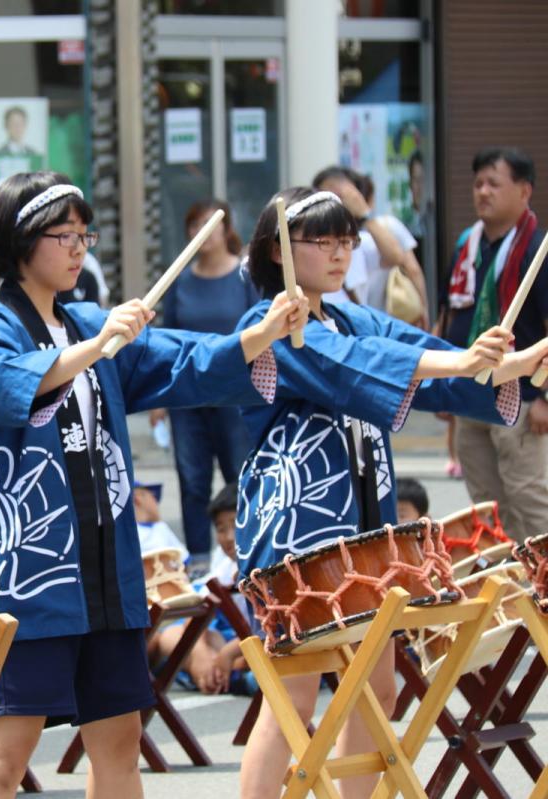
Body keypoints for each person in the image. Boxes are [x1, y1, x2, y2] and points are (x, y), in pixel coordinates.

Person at [0, 171, 308, 799]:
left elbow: (183, 360)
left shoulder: (88, 324)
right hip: (29, 578)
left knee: (120, 745)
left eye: (82, 235)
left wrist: (263, 333)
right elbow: (14, 387)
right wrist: (98, 345)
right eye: (63, 235)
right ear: (20, 242)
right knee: (4, 757)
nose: (78, 248)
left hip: (107, 576)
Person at [234, 187, 548, 799]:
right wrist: (463, 364)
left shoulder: (352, 318)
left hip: (365, 532)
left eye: (346, 240)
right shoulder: (269, 326)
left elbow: (428, 360)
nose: (339, 253)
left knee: (377, 690)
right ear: (277, 250)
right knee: (292, 697)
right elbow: (355, 363)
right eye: (321, 240)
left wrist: (512, 362)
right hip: (295, 533)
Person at [441, 146, 548, 543]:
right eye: (478, 184)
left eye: (494, 184)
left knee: (528, 498)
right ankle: (507, 578)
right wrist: (442, 382)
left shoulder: (537, 248)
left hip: (522, 397)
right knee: (486, 506)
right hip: (470, 391)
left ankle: (541, 578)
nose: (483, 191)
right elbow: (448, 314)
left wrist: (545, 396)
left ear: (524, 191)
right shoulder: (467, 245)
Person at [151, 199, 258, 570]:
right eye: (195, 225)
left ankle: (249, 555)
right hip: (187, 396)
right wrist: (159, 401)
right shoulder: (180, 281)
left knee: (239, 475)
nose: (203, 232)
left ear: (226, 230)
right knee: (192, 480)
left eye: (210, 224)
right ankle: (199, 563)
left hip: (234, 395)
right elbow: (165, 342)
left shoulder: (245, 276)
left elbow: (260, 331)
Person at [147, 483, 256, 696]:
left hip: (263, 644)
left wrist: (227, 654)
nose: (229, 537)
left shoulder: (267, 565)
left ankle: (220, 675)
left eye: (236, 525)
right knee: (172, 634)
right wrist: (201, 656)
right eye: (221, 529)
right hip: (235, 641)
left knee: (263, 665)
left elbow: (276, 628)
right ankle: (210, 674)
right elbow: (195, 615)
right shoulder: (224, 568)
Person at [314, 166, 428, 326]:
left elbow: (398, 259)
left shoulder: (363, 241)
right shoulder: (307, 245)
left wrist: (365, 215)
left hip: (363, 327)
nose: (338, 255)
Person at [0, 106, 45, 189]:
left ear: (25, 125)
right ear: (6, 126)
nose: (17, 128)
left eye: (20, 124)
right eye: (13, 124)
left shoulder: (34, 155)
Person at [133, 479, 186, 558]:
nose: (156, 503)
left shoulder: (160, 526)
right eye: (153, 496)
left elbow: (184, 559)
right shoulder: (127, 533)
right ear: (138, 499)